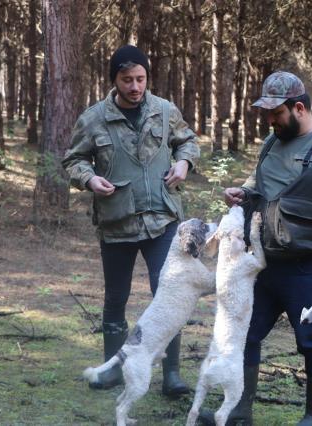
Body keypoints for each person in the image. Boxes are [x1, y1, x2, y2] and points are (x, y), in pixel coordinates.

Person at [203, 71, 312, 425]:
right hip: (262, 262)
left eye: (276, 113)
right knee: (246, 332)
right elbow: (258, 181)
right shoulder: (272, 142)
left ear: (300, 108)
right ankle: (237, 411)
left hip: (309, 266)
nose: (270, 120)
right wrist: (241, 193)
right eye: (268, 113)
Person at [62, 45, 200, 394]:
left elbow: (187, 143)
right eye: (127, 80)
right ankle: (112, 371)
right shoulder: (93, 118)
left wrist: (184, 163)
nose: (135, 86)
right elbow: (73, 161)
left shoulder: (165, 111)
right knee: (116, 298)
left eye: (140, 79)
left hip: (162, 221)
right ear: (114, 81)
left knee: (168, 294)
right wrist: (90, 179)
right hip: (117, 221)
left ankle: (171, 375)